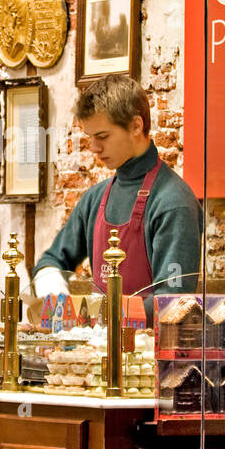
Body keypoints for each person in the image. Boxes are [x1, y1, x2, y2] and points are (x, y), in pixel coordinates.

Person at [33, 75, 202, 322]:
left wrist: (100, 316)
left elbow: (172, 302)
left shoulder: (173, 203)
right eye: (90, 137)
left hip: (149, 354)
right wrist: (56, 298)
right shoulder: (94, 198)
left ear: (136, 125)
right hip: (97, 350)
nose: (94, 147)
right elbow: (52, 260)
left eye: (102, 136)